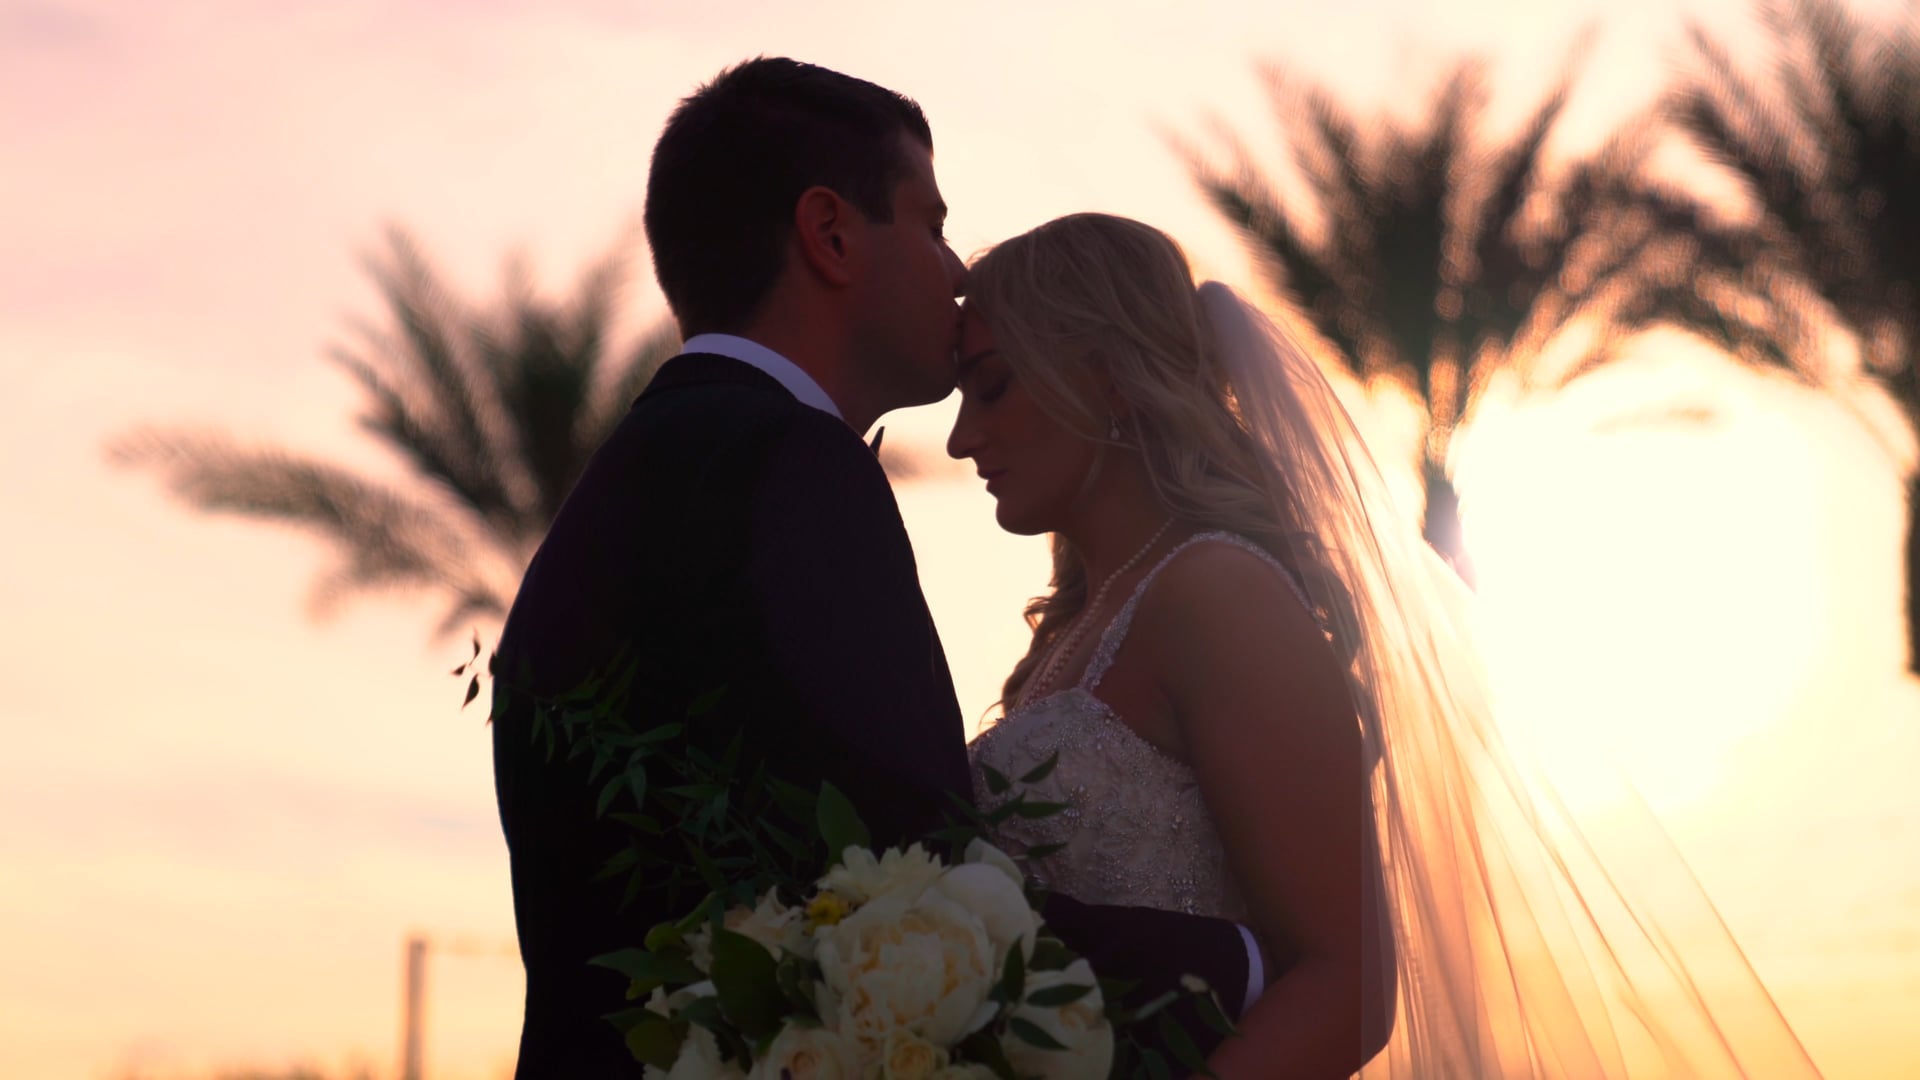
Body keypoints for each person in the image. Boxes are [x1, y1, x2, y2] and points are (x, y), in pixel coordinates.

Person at [488, 62, 1272, 1078]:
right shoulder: (787, 467)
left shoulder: (649, 476)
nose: (957, 271)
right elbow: (913, 890)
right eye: (932, 221)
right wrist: (1255, 960)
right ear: (832, 234)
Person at [955, 212, 1824, 1077]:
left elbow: (1353, 987)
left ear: (1109, 379)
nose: (962, 437)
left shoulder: (1217, 593)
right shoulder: (1075, 628)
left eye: (991, 385)